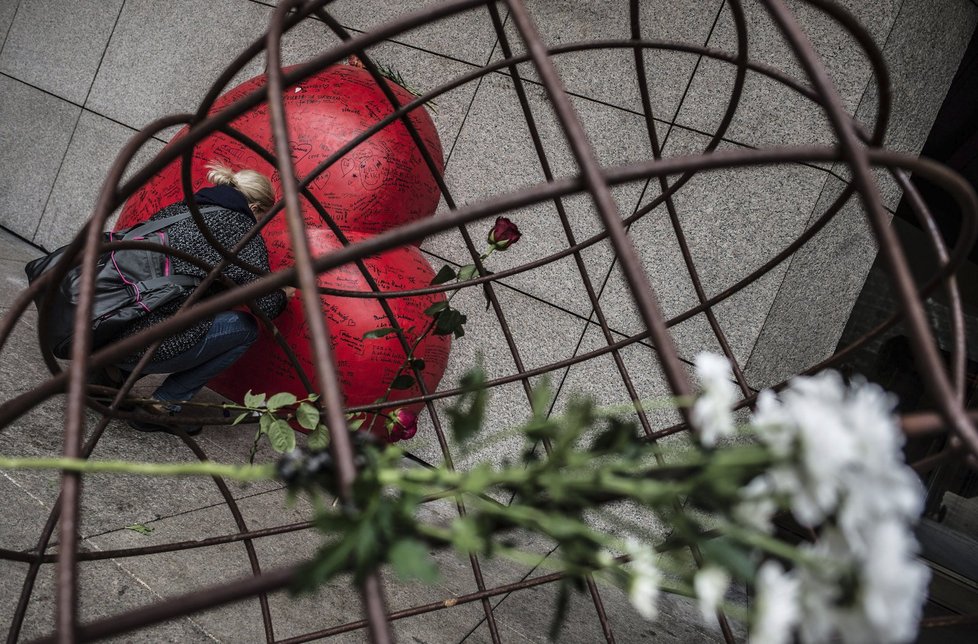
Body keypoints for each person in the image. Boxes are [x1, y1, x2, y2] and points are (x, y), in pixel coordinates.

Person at [111, 162, 294, 434]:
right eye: (263, 217)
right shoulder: (241, 230)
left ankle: (113, 374)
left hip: (108, 327)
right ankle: (162, 407)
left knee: (172, 306)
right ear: (255, 209)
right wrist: (283, 293)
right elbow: (266, 304)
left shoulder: (183, 208)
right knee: (245, 329)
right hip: (145, 343)